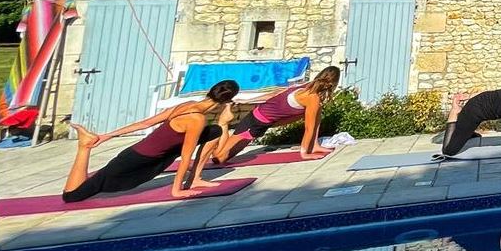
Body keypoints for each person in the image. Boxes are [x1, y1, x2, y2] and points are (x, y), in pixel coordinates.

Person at [62, 80, 240, 203]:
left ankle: (195, 179)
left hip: (151, 153)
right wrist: (176, 190)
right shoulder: (197, 119)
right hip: (138, 159)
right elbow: (186, 156)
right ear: (227, 100)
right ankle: (84, 147)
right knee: (73, 195)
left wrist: (108, 135)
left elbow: (146, 123)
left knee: (214, 131)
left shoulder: (187, 105)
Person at [211, 66, 341, 164]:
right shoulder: (312, 98)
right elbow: (309, 128)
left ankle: (314, 145)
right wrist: (304, 154)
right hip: (254, 122)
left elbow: (275, 95)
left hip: (264, 122)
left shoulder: (307, 86)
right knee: (219, 158)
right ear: (333, 84)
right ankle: (223, 122)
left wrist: (248, 101)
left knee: (317, 112)